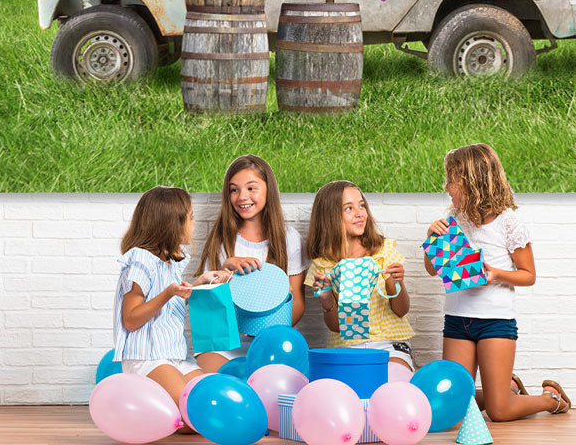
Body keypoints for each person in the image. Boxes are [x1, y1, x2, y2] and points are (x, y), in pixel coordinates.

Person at [425, 143, 571, 421]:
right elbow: (433, 270)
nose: (446, 186)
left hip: (495, 322)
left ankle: (551, 400)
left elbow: (528, 275)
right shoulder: (454, 219)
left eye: (451, 180)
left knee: (498, 411)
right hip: (457, 320)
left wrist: (495, 273)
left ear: (471, 183)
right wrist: (432, 237)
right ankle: (508, 389)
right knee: (454, 404)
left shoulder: (508, 223)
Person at [113, 185, 231, 427]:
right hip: (148, 357)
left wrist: (200, 283)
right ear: (171, 224)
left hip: (176, 356)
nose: (194, 223)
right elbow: (131, 319)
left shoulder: (170, 261)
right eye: (191, 217)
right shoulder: (141, 261)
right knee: (195, 417)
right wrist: (168, 293)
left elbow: (172, 299)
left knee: (214, 404)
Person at [195, 154, 308, 371]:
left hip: (271, 340)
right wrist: (224, 273)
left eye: (251, 188)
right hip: (224, 342)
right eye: (234, 189)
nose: (241, 197)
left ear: (268, 190)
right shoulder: (222, 239)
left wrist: (265, 332)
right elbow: (208, 305)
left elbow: (297, 303)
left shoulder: (288, 238)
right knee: (212, 381)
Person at [305, 180, 414, 371]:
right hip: (347, 347)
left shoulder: (383, 250)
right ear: (330, 217)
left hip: (389, 345)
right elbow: (336, 327)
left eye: (361, 205)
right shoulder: (323, 265)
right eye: (349, 208)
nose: (359, 213)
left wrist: (397, 282)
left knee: (392, 382)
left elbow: (401, 310)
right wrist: (326, 300)